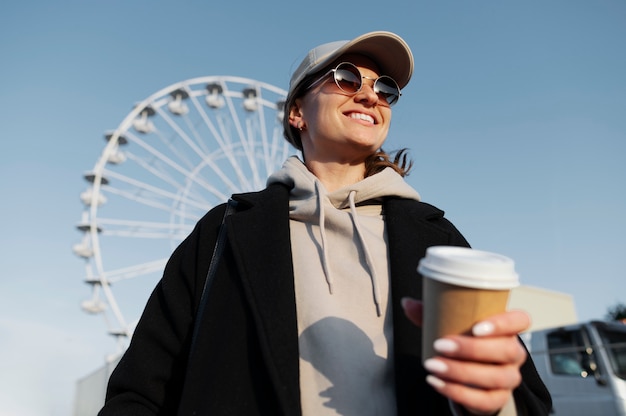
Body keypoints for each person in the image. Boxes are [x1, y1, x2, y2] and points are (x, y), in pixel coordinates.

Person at [99, 31, 551, 416]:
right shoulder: (223, 234)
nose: (370, 95)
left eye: (385, 89)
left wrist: (494, 400)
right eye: (346, 78)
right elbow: (138, 393)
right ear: (297, 113)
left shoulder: (439, 241)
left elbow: (524, 398)